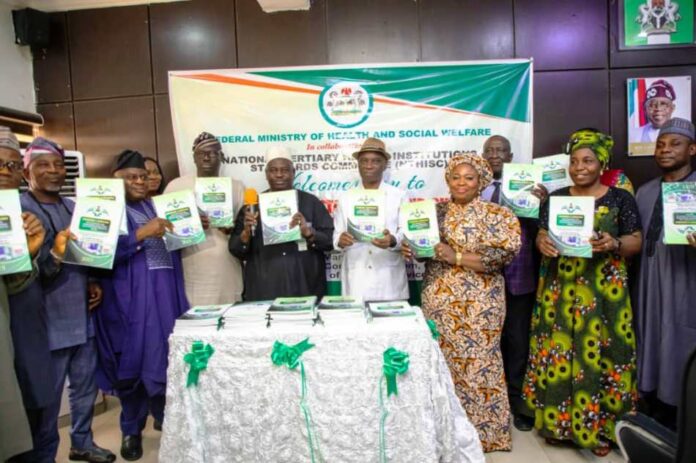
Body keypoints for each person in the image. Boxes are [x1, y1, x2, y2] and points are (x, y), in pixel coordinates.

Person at [522, 129, 642, 456]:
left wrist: (614, 243)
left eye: (588, 160)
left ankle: (602, 428)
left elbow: (635, 241)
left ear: (601, 163)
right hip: (560, 292)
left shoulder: (620, 198)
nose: (580, 167)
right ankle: (559, 423)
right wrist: (541, 241)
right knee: (560, 353)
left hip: (604, 293)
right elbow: (543, 234)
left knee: (605, 354)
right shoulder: (556, 197)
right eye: (574, 161)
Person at [403, 154, 521, 452]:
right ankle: (447, 434)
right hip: (439, 301)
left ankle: (486, 434)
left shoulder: (498, 215)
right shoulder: (436, 212)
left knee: (480, 362)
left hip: (481, 302)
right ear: (448, 179)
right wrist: (413, 248)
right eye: (456, 177)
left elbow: (501, 257)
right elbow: (426, 250)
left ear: (480, 181)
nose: (461, 183)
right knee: (443, 364)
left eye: (469, 177)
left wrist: (454, 256)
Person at [21, 137, 114, 463]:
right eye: (43, 165)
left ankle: (82, 443)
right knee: (47, 398)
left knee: (85, 388)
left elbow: (86, 254)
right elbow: (29, 270)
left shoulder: (72, 207)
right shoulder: (22, 211)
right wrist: (56, 253)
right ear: (26, 170)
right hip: (45, 321)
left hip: (81, 314)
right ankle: (44, 457)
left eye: (59, 164)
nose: (53, 171)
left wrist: (91, 280)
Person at [93, 150, 189, 461]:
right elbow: (98, 253)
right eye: (131, 177)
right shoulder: (106, 210)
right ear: (116, 181)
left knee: (166, 360)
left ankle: (166, 421)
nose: (139, 181)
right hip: (129, 304)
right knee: (131, 368)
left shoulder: (154, 206)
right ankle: (131, 431)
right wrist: (140, 233)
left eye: (142, 177)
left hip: (165, 297)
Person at [481, 135, 546, 432]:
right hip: (480, 277)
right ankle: (487, 399)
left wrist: (540, 203)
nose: (495, 155)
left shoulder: (528, 185)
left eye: (500, 150)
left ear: (510, 155)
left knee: (518, 340)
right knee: (487, 340)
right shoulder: (474, 186)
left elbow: (538, 230)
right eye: (489, 151)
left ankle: (518, 401)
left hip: (518, 275)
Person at [635, 117, 696, 430]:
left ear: (692, 148)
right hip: (648, 285)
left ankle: (680, 413)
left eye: (675, 144)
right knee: (651, 338)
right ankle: (653, 407)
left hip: (685, 285)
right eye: (660, 144)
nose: (666, 150)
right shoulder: (645, 193)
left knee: (681, 342)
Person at [0, 127, 54, 463]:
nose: (4, 171)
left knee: (36, 418)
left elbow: (15, 283)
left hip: (26, 331)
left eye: (10, 165)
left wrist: (32, 253)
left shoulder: (22, 217)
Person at [229, 146, 334, 301]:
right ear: (266, 174)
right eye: (273, 170)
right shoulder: (252, 206)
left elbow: (330, 242)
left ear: (293, 172)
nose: (279, 175)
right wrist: (245, 233)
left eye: (285, 170)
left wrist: (309, 233)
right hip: (264, 288)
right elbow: (236, 250)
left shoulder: (310, 203)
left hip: (305, 287)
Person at [165, 132, 245, 305]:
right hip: (193, 269)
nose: (208, 157)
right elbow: (164, 232)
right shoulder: (176, 187)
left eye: (214, 153)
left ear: (221, 157)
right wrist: (191, 224)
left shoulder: (236, 186)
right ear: (194, 158)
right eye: (202, 153)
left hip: (227, 268)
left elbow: (245, 230)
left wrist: (232, 229)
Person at [333, 138, 408, 301]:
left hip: (389, 281)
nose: (369, 165)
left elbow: (408, 235)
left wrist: (393, 240)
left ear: (384, 164)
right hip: (356, 280)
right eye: (364, 161)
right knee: (355, 326)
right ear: (358, 164)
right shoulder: (346, 197)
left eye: (375, 161)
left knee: (392, 326)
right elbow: (336, 235)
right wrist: (340, 240)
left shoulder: (398, 196)